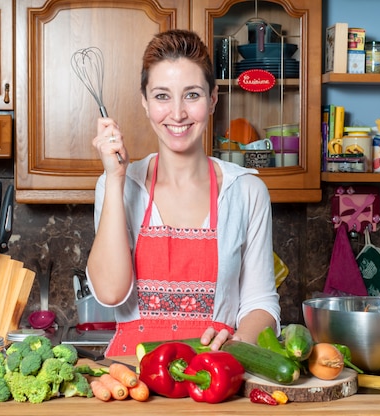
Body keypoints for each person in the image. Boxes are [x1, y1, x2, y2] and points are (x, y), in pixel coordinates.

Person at [86, 29, 279, 357]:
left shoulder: (246, 191)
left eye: (192, 95)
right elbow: (109, 292)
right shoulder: (118, 184)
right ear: (145, 102)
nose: (177, 113)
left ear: (213, 99)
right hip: (134, 381)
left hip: (216, 377)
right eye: (162, 96)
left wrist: (242, 341)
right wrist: (115, 177)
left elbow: (261, 303)